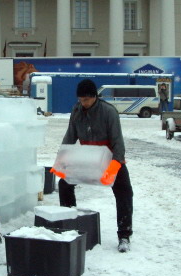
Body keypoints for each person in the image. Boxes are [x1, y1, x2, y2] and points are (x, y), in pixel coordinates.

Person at [57, 79, 134, 253]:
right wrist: (62, 159)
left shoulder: (109, 112)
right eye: (80, 99)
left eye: (86, 100)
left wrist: (114, 167)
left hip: (108, 156)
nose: (83, 103)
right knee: (64, 182)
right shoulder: (76, 110)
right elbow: (70, 136)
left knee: (124, 191)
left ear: (95, 97)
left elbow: (118, 142)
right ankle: (69, 223)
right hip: (87, 156)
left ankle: (124, 235)